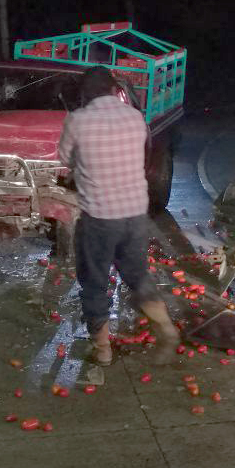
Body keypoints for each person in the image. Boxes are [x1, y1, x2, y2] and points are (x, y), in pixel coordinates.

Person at [57, 66, 180, 366]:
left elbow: (64, 158)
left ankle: (102, 351)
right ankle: (165, 326)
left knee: (95, 282)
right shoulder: (135, 118)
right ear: (115, 91)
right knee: (137, 274)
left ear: (85, 96)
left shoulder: (77, 120)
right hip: (135, 214)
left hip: (99, 217)